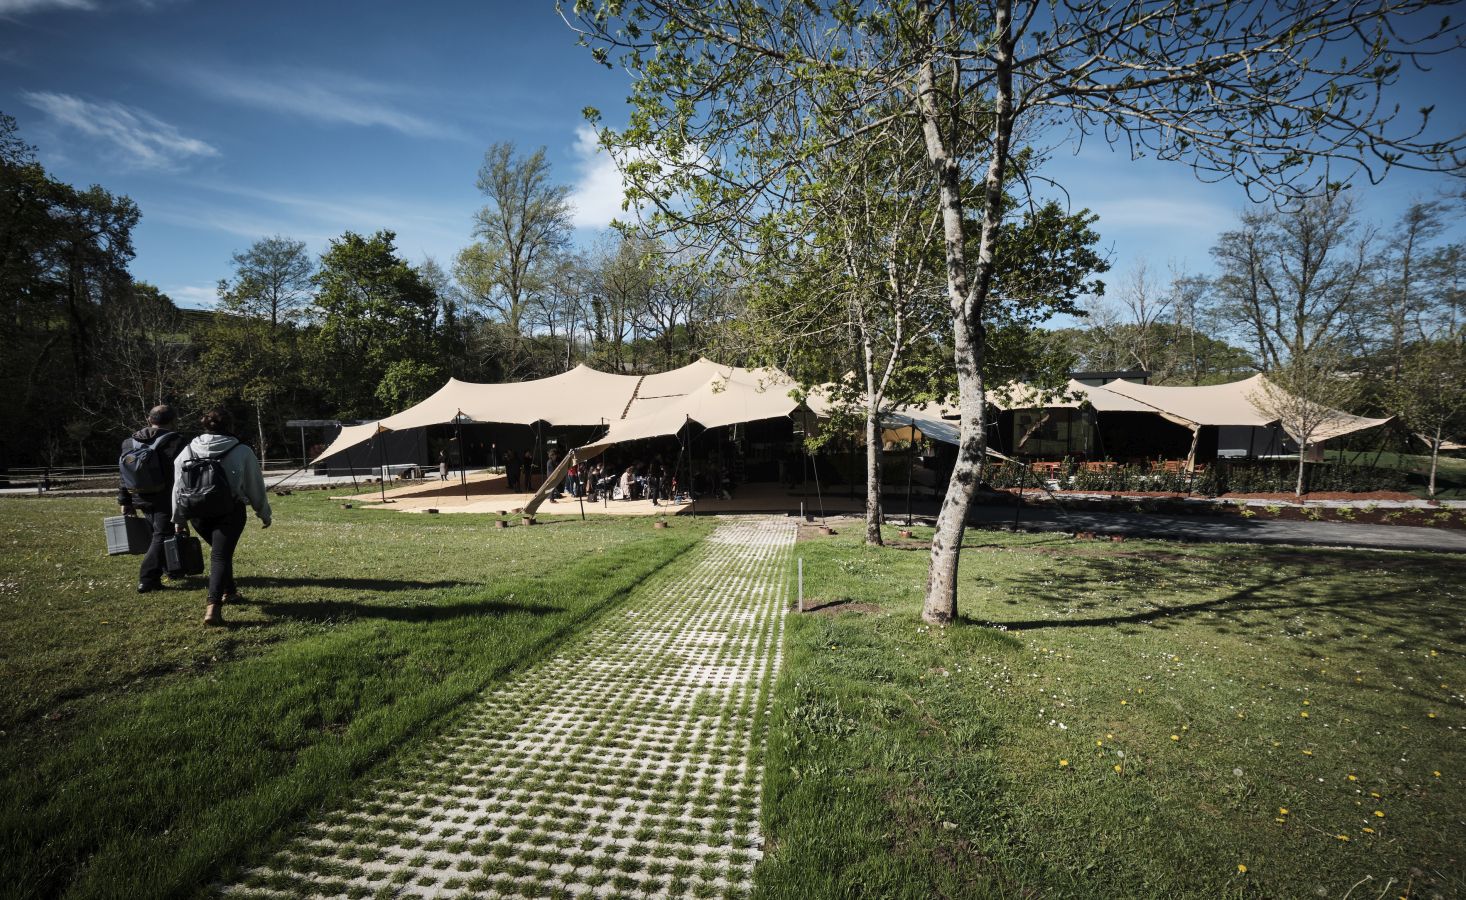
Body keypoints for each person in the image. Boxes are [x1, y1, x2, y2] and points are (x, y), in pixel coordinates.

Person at [171, 408, 271, 627]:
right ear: (230, 426)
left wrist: (179, 520)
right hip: (230, 511)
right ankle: (213, 607)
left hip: (197, 513)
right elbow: (255, 486)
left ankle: (230, 591)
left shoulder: (187, 451)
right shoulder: (241, 450)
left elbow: (178, 488)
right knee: (220, 556)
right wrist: (264, 513)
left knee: (221, 554)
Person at [117, 404, 188, 593]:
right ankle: (147, 578)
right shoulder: (177, 441)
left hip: (139, 495)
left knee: (159, 534)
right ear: (173, 421)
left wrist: (125, 500)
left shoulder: (129, 442)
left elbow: (123, 473)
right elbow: (182, 473)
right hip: (165, 496)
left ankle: (170, 570)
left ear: (150, 420)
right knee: (163, 535)